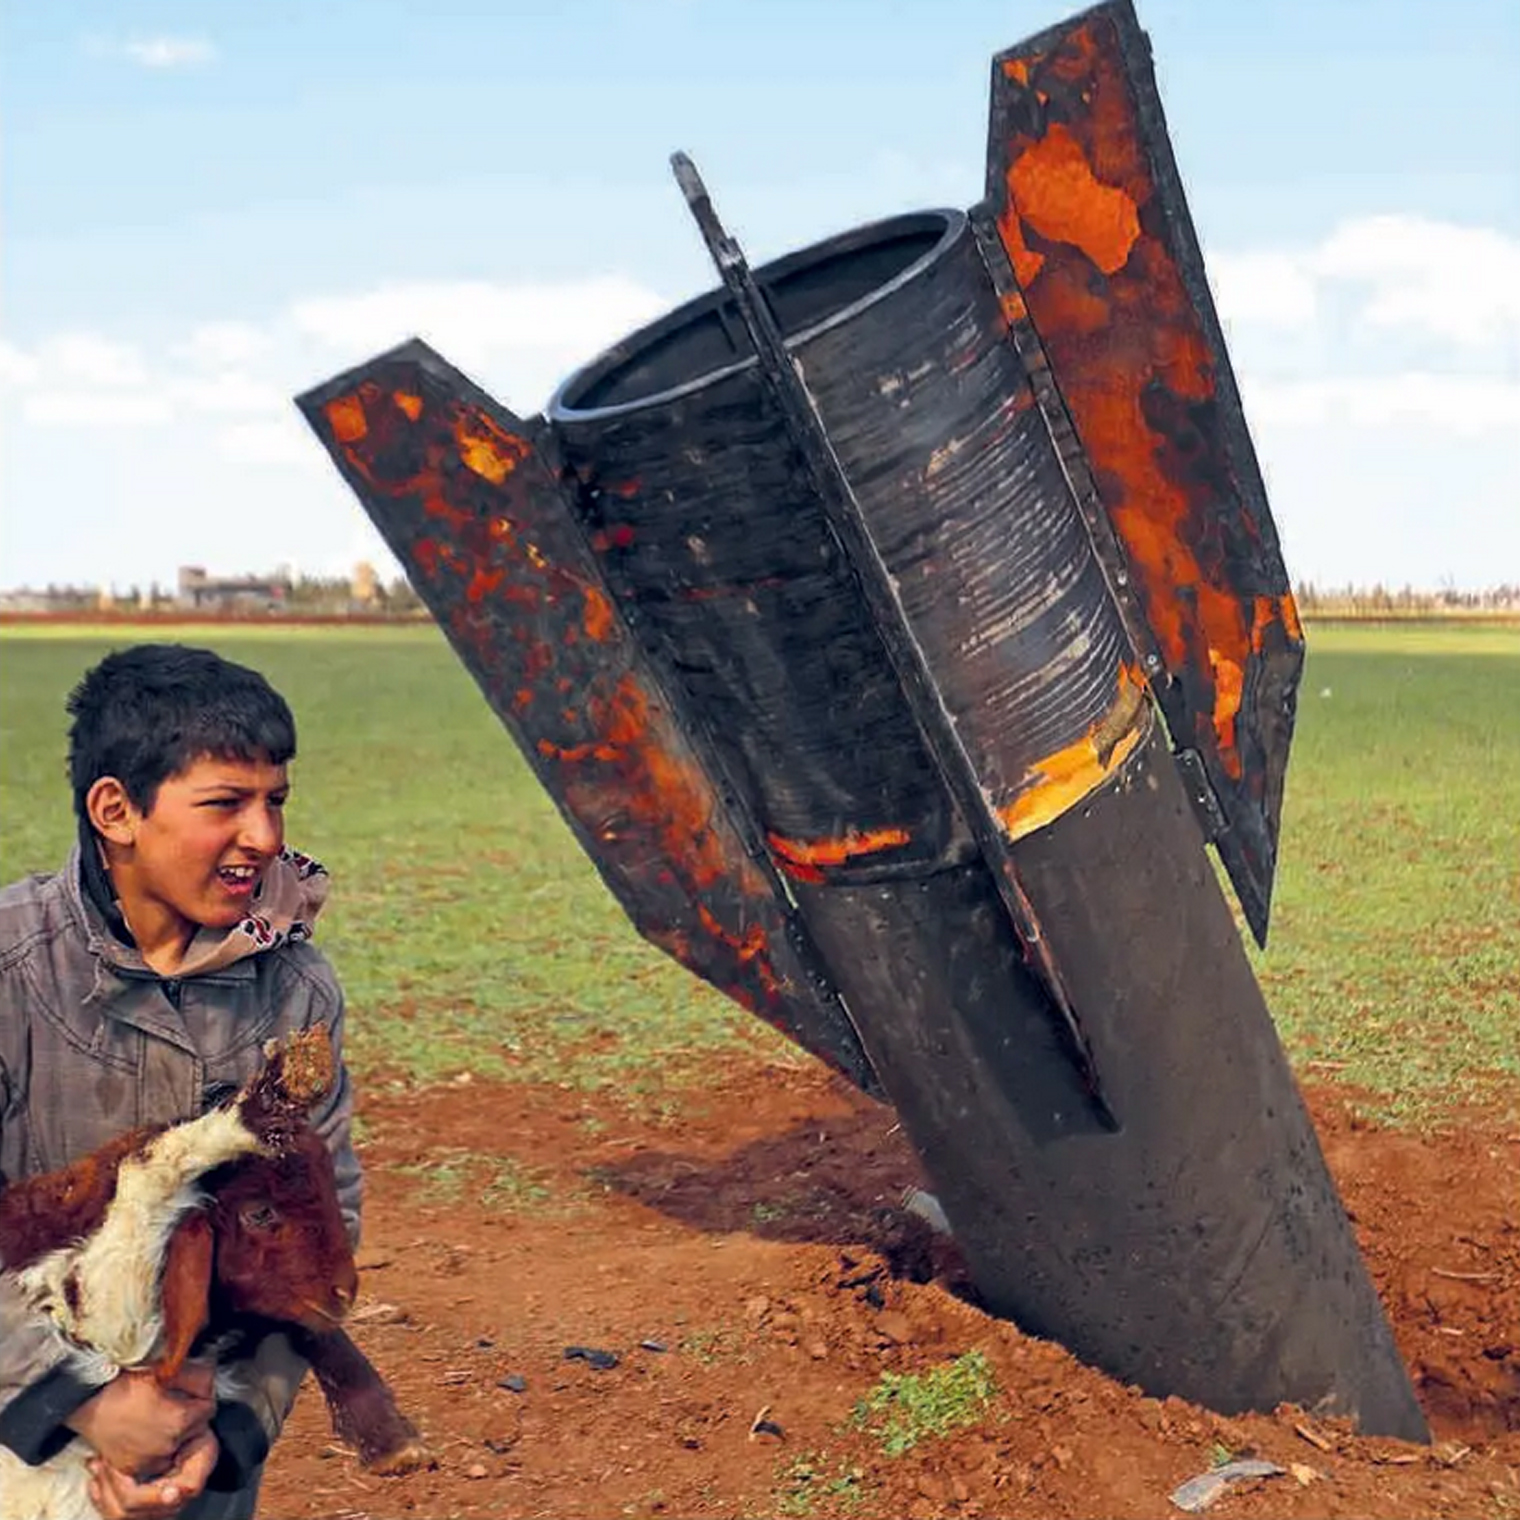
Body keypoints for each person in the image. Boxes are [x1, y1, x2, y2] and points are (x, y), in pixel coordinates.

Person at [0, 644, 362, 1519]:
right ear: (116, 811)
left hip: (196, 1441)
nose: (265, 837)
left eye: (275, 800)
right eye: (226, 803)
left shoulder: (295, 989)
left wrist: (215, 1432)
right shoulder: (12, 974)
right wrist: (79, 1403)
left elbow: (320, 1229)